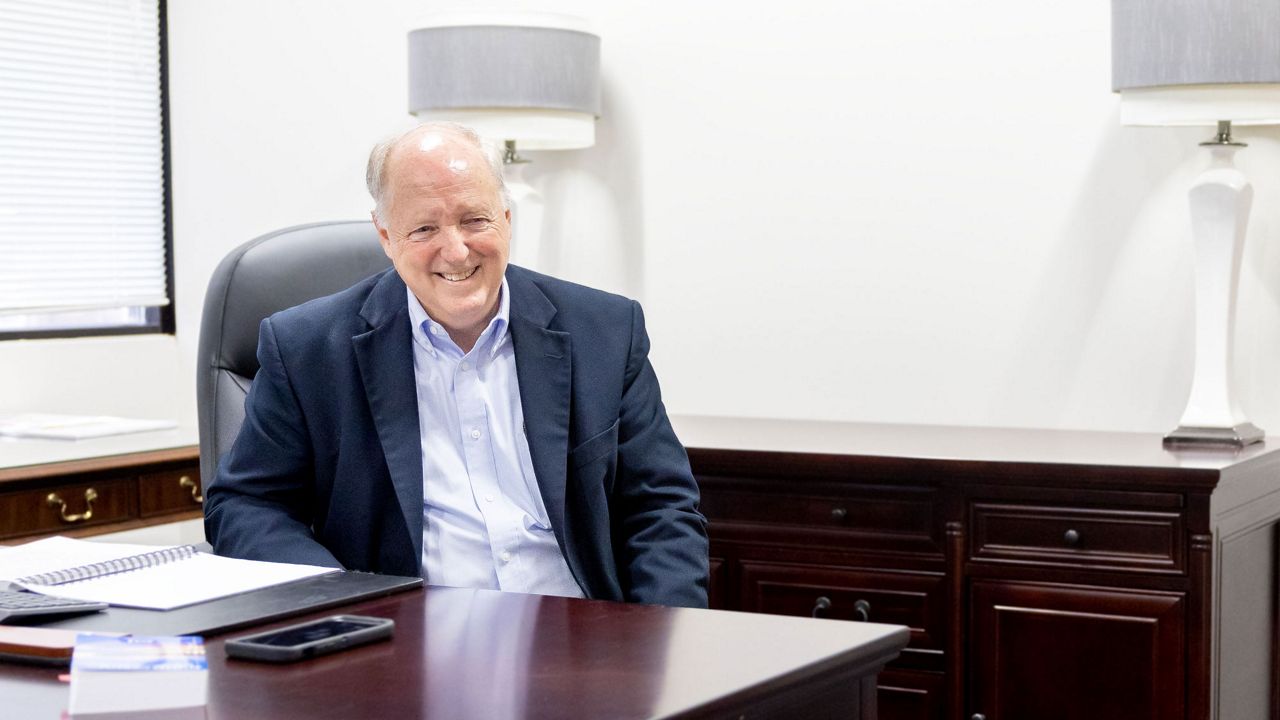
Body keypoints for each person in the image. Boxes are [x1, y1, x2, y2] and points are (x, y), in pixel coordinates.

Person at [204, 123, 709, 608]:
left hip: (581, 634)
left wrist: (657, 638)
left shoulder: (605, 331)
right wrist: (343, 603)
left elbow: (660, 506)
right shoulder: (307, 349)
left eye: (474, 220)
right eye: (424, 228)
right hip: (406, 640)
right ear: (386, 235)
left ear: (506, 218)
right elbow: (246, 505)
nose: (456, 250)